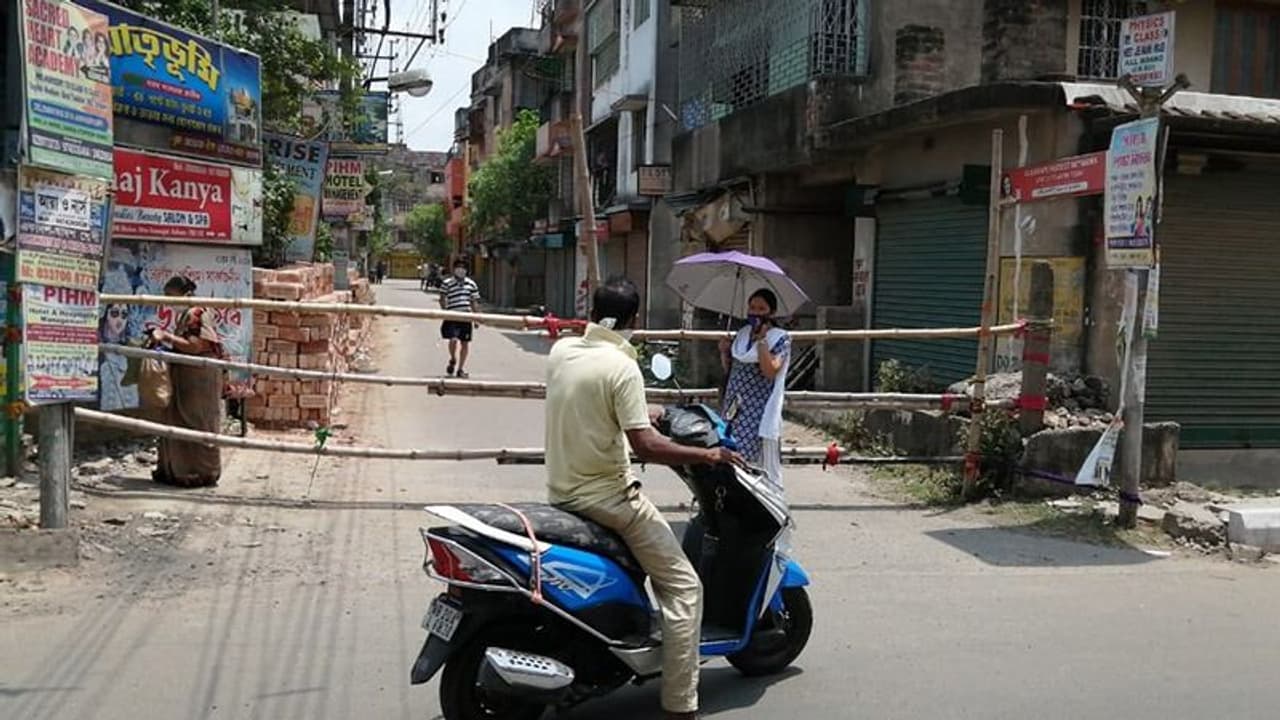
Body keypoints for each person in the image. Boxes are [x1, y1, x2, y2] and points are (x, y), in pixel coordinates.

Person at [546, 276, 741, 720]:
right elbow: (647, 448)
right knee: (684, 586)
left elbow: (589, 403)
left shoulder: (563, 353)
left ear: (594, 312)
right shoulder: (622, 367)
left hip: (560, 490)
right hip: (608, 498)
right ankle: (680, 704)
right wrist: (708, 453)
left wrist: (644, 413)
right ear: (632, 319)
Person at [149, 276, 227, 488]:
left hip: (199, 378)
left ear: (183, 294)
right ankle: (177, 471)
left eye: (171, 297)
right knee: (178, 419)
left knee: (197, 422)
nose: (169, 302)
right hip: (187, 376)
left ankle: (202, 472)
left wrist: (165, 336)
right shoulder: (187, 313)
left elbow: (195, 346)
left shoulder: (195, 313)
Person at [718, 288, 791, 486]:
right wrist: (725, 352)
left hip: (756, 411)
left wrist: (762, 342)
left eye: (761, 308)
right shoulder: (742, 335)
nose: (756, 312)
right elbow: (732, 370)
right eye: (752, 307)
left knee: (748, 462)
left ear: (771, 312)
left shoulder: (780, 338)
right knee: (727, 455)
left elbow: (770, 371)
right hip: (733, 408)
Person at [439, 259, 480, 377]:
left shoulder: (471, 284)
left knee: (465, 343)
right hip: (452, 315)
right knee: (453, 340)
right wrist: (444, 311)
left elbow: (474, 302)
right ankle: (453, 358)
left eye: (463, 267)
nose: (461, 270)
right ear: (454, 269)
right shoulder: (447, 283)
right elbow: (442, 298)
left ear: (467, 270)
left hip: (466, 317)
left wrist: (476, 318)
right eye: (458, 267)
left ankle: (460, 369)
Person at [98, 303, 139, 411]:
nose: (119, 320)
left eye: (124, 315)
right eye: (115, 313)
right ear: (106, 314)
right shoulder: (97, 346)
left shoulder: (132, 347)